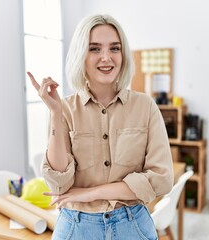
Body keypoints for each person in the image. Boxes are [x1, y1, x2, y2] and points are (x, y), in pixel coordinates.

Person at [27, 14, 173, 240]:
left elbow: (162, 179)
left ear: (123, 55)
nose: (106, 58)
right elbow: (59, 185)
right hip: (75, 227)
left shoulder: (146, 107)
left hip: (133, 225)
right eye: (94, 49)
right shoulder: (63, 109)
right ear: (81, 55)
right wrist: (55, 115)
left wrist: (91, 193)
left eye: (114, 48)